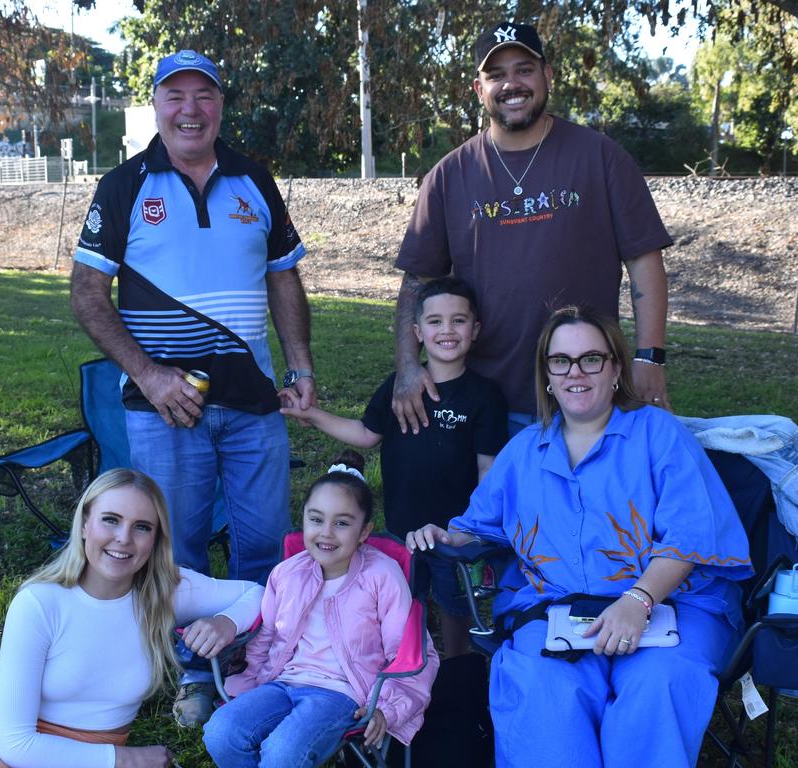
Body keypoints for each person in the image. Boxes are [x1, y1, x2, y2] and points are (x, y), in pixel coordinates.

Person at [69, 49, 314, 723]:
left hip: (254, 402)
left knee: (265, 543)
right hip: (165, 407)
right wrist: (147, 375)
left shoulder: (254, 180)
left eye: (202, 95)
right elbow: (87, 292)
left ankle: (261, 660)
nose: (189, 109)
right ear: (156, 104)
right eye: (174, 95)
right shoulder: (124, 185)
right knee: (177, 550)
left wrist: (301, 366)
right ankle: (193, 671)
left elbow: (284, 278)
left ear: (220, 105)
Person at [406, 306, 752, 767]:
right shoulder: (525, 450)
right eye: (560, 361)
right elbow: (475, 529)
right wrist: (445, 537)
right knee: (545, 692)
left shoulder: (658, 434)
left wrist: (638, 600)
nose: (576, 373)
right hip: (558, 611)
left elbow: (690, 534)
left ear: (615, 369)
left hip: (670, 607)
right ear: (546, 374)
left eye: (591, 359)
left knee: (657, 686)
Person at [393, 22, 674, 438]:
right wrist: (406, 365)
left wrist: (649, 358)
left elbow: (644, 259)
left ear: (548, 75)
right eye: (497, 75)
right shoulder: (449, 176)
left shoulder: (600, 156)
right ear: (479, 89)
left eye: (524, 69)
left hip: (587, 390)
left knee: (592, 504)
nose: (512, 84)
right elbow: (419, 280)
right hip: (484, 400)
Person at [0, 468, 263, 768]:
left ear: (155, 538)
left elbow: (258, 593)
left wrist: (226, 623)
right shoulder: (39, 602)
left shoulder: (163, 592)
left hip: (97, 755)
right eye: (111, 520)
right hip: (9, 753)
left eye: (142, 526)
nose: (124, 538)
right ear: (85, 524)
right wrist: (126, 760)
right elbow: (16, 744)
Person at [280, 277, 507, 656]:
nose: (446, 330)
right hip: (402, 528)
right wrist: (314, 415)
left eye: (458, 321)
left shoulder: (484, 395)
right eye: (435, 322)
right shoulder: (398, 386)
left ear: (475, 329)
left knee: (455, 604)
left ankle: (454, 668)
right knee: (401, 602)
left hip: (453, 533)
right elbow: (367, 433)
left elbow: (489, 471)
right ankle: (408, 664)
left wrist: (469, 530)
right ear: (417, 331)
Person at [203, 452, 440, 767]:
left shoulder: (382, 575)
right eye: (316, 519)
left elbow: (409, 651)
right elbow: (266, 634)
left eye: (342, 523)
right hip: (281, 682)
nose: (326, 532)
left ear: (365, 532)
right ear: (303, 520)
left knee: (282, 752)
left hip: (343, 693)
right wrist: (252, 682)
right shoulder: (287, 573)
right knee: (221, 731)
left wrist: (387, 707)